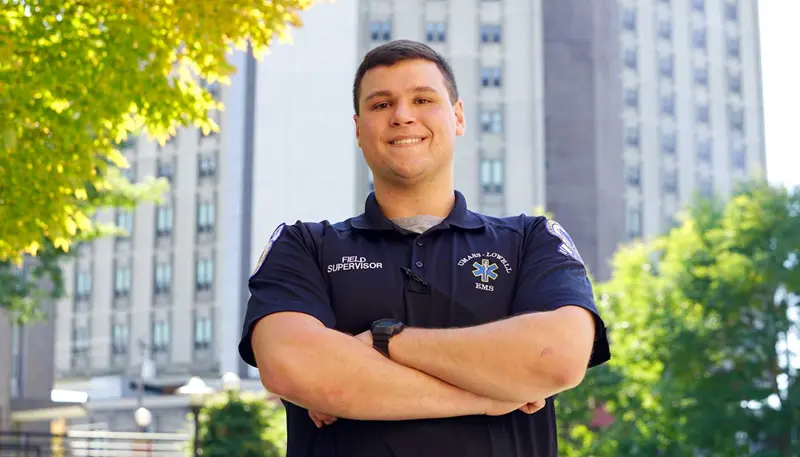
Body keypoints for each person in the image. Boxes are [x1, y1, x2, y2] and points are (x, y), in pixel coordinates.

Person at [239, 39, 611, 457]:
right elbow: (291, 364)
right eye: (381, 105)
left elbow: (557, 358)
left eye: (422, 99)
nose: (402, 116)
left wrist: (383, 343)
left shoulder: (532, 241)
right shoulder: (302, 246)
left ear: (458, 117)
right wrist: (490, 396)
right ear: (359, 129)